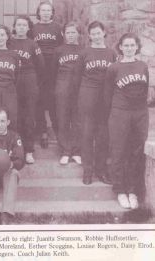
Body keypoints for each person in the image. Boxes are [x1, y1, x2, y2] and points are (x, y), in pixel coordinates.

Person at [104, 33, 155, 209]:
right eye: (125, 45)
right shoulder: (113, 68)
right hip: (120, 113)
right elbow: (107, 95)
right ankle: (120, 190)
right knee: (118, 151)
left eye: (132, 45)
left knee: (136, 152)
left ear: (137, 47)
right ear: (120, 47)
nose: (129, 48)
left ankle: (133, 191)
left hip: (139, 114)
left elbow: (144, 90)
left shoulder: (142, 66)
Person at [73, 21, 117, 185]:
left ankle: (101, 170)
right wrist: (82, 97)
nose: (96, 36)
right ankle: (88, 170)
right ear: (89, 36)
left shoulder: (111, 53)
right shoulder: (84, 53)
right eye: (93, 34)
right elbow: (77, 78)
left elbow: (115, 77)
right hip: (88, 95)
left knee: (103, 135)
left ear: (104, 33)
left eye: (99, 33)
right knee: (86, 133)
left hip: (105, 97)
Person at [9, 15, 44, 164]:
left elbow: (41, 67)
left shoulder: (33, 44)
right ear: (15, 27)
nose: (22, 28)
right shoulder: (9, 42)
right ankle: (14, 149)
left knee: (29, 117)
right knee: (13, 115)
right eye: (19, 25)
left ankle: (29, 150)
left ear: (29, 28)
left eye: (24, 25)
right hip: (12, 81)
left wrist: (35, 83)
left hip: (29, 79)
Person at [32, 0, 63, 148]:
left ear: (52, 12)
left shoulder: (58, 28)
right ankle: (42, 131)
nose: (45, 13)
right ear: (39, 12)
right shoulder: (33, 28)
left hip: (54, 68)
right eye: (42, 10)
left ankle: (57, 131)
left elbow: (62, 48)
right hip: (37, 68)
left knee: (52, 100)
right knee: (38, 100)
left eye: (48, 10)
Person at [51, 21, 83, 165]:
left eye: (73, 32)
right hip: (62, 86)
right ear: (64, 34)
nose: (70, 35)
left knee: (77, 120)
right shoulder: (59, 50)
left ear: (78, 34)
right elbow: (52, 70)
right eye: (68, 32)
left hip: (79, 88)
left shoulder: (84, 50)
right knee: (62, 119)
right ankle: (65, 150)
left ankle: (76, 150)